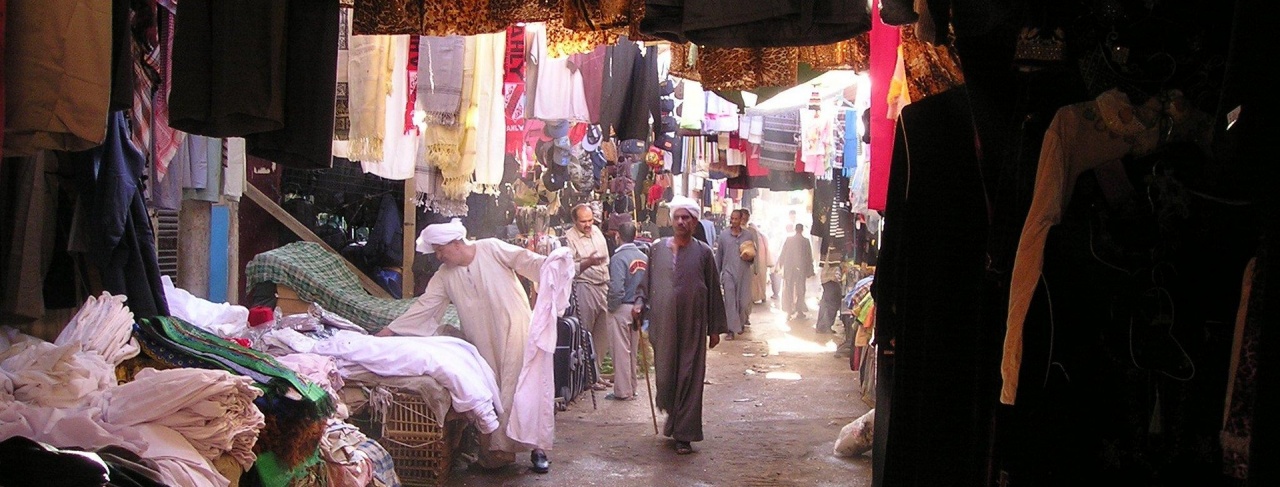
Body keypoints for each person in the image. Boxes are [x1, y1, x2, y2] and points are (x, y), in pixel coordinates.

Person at [378, 219, 605, 474]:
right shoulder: (444, 276)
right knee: (493, 393)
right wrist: (391, 330)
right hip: (481, 340)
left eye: (441, 250)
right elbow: (425, 307)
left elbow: (531, 263)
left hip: (516, 330)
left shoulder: (491, 248)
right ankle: (497, 454)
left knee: (526, 388)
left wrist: (573, 265)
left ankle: (538, 449)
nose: (439, 256)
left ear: (456, 243)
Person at [634, 196, 728, 455]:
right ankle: (673, 416)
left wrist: (715, 328)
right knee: (665, 375)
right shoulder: (656, 248)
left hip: (693, 323)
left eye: (686, 217)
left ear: (695, 222)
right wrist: (639, 303)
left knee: (689, 374)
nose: (680, 221)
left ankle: (684, 434)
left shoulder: (704, 252)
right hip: (663, 322)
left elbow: (713, 291)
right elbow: (646, 282)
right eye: (677, 217)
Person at [564, 203, 613, 391]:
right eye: (583, 221)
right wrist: (589, 263)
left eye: (590, 220)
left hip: (603, 286)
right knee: (585, 334)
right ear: (575, 221)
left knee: (602, 335)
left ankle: (596, 375)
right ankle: (585, 378)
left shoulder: (597, 232)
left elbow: (606, 259)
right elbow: (570, 268)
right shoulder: (569, 238)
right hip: (585, 287)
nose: (588, 224)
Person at [605, 221, 647, 401]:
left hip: (622, 307)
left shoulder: (618, 259)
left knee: (621, 351)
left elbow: (616, 288)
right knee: (632, 349)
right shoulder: (644, 257)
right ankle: (632, 387)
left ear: (617, 236)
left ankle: (622, 391)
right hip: (638, 307)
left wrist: (612, 307)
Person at [714, 208, 756, 339]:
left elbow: (753, 254)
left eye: (736, 219)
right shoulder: (724, 235)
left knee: (743, 302)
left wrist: (749, 257)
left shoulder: (748, 235)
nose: (733, 221)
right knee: (730, 301)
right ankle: (731, 330)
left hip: (744, 273)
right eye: (731, 218)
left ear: (741, 219)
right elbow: (719, 256)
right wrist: (716, 273)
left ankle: (741, 322)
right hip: (728, 273)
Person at [778, 223, 815, 319]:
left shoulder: (789, 240)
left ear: (795, 229)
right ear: (802, 230)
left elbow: (783, 253)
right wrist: (810, 271)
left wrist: (780, 265)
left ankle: (789, 311)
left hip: (789, 269)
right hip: (801, 270)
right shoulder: (805, 241)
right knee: (800, 290)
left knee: (789, 289)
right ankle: (799, 311)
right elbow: (808, 257)